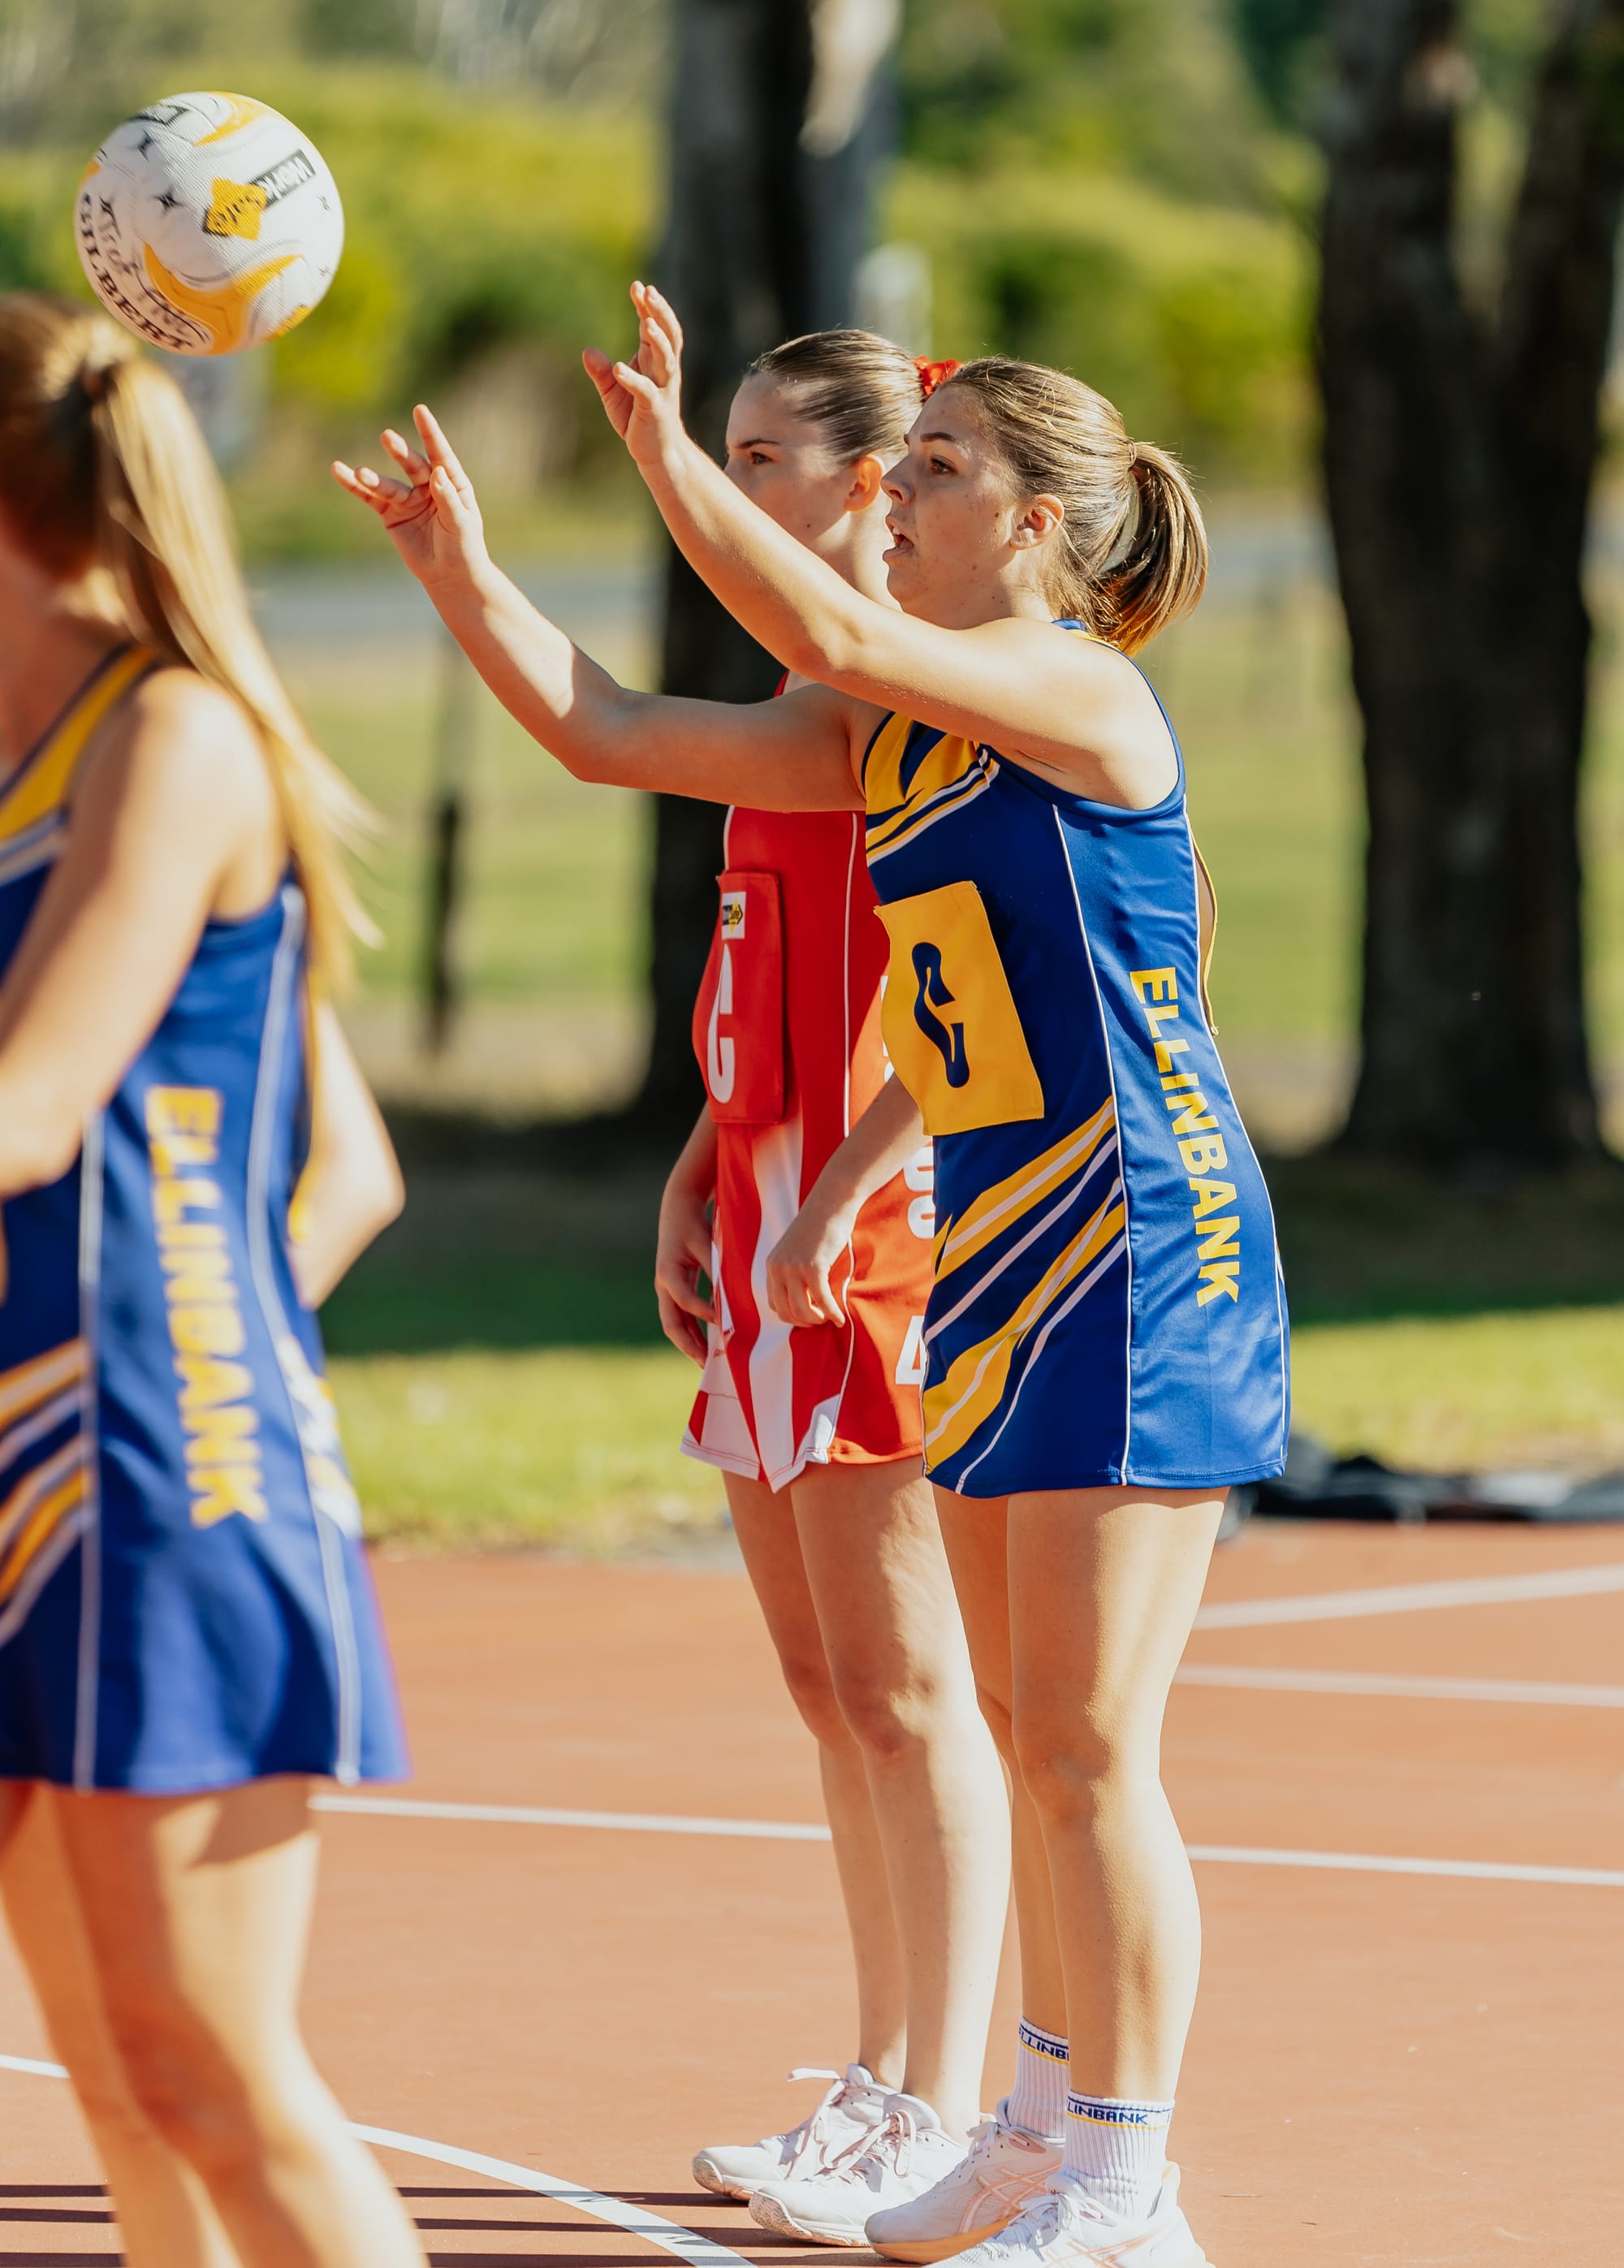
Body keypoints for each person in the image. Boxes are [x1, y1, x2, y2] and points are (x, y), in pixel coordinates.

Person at [340, 279, 1289, 2268]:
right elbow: (611, 737)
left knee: (1090, 1741)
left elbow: (831, 618)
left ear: (1033, 525)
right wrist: (461, 571)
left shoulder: (1082, 691)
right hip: (1010, 1241)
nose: (898, 494)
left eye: (936, 470)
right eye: (905, 464)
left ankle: (1130, 2179)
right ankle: (1032, 2128)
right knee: (1038, 1734)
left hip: (1143, 1235)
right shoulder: (896, 739)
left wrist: (674, 456)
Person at [335, 329, 1012, 2249]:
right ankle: (878, 2083)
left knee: (901, 1692)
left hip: (877, 1246)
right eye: (717, 447)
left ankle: (933, 2102)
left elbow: (931, 1019)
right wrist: (703, 1166)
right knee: (827, 1691)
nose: (726, 476)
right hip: (768, 1225)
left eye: (756, 453)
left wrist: (637, 475)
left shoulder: (895, 723)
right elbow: (626, 760)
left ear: (869, 490)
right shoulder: (800, 712)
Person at [0, 294, 425, 2268]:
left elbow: (27, 1114)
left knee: (208, 2068)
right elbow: (347, 1159)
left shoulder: (166, 734)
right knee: (110, 2070)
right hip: (50, 1458)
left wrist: (198, 1348)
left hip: (153, 1467)